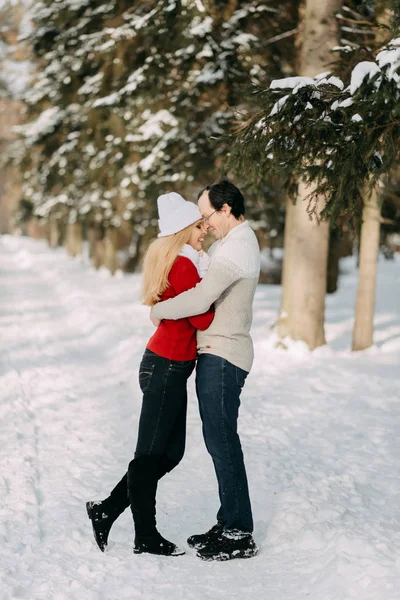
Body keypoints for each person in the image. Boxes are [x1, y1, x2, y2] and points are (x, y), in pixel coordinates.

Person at [86, 192, 214, 557]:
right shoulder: (186, 265)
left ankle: (106, 509)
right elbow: (202, 317)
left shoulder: (182, 260)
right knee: (149, 455)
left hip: (167, 365)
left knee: (169, 454)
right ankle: (146, 535)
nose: (204, 229)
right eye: (198, 224)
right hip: (166, 366)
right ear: (184, 228)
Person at [151, 180, 260, 561]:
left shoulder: (239, 245)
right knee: (218, 440)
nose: (205, 223)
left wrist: (158, 309)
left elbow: (201, 297)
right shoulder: (230, 244)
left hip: (225, 353)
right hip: (216, 352)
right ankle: (227, 520)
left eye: (207, 215)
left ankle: (239, 533)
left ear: (226, 209)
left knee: (222, 440)